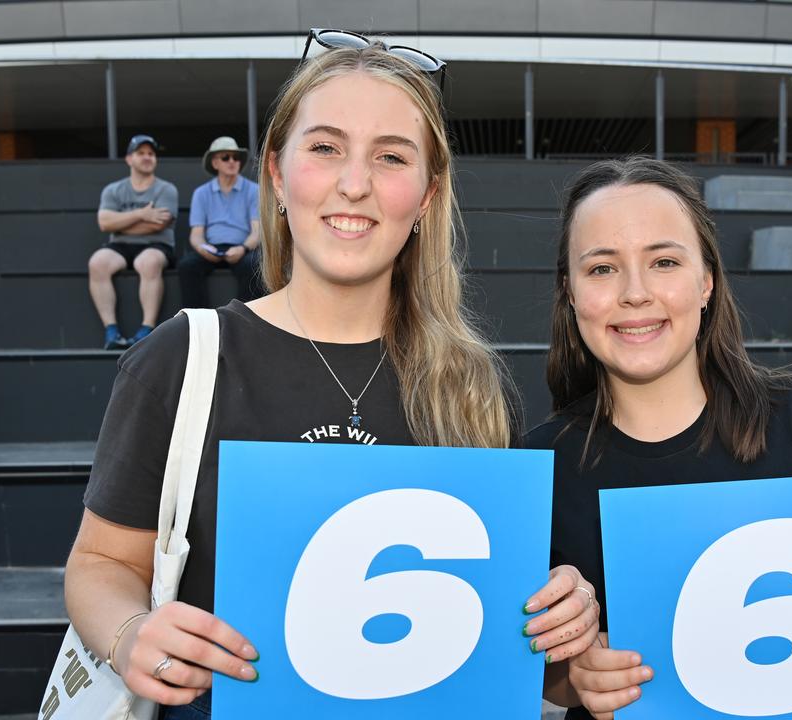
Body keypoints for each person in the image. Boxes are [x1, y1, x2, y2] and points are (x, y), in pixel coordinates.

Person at [62, 33, 597, 719]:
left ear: (428, 196)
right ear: (278, 176)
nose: (355, 183)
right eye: (325, 148)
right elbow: (100, 564)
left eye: (391, 157)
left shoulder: (475, 387)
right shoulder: (182, 357)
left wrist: (562, 615)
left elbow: (514, 632)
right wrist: (130, 633)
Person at [526, 157, 792, 719]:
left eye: (663, 261)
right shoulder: (539, 463)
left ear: (706, 281)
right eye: (602, 268)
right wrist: (575, 678)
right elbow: (538, 665)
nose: (635, 293)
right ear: (570, 291)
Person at [89, 134, 179, 349]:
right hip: (120, 245)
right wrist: (141, 214)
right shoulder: (113, 189)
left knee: (147, 263)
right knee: (97, 263)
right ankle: (111, 331)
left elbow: (159, 224)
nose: (147, 157)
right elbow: (104, 223)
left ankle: (146, 329)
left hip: (156, 244)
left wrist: (120, 222)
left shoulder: (166, 189)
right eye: (141, 153)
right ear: (129, 159)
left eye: (151, 153)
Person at [178, 136, 262, 309]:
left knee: (254, 264)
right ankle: (198, 320)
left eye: (236, 157)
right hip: (212, 249)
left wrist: (243, 248)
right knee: (187, 266)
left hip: (243, 249)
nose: (232, 161)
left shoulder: (254, 190)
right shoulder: (201, 193)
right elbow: (196, 235)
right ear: (215, 163)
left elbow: (257, 231)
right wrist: (203, 249)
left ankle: (245, 321)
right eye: (226, 157)